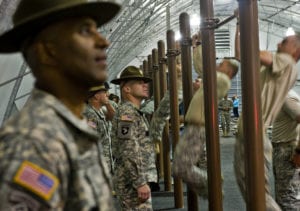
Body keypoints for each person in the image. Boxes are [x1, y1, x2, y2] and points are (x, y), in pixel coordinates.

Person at [0, 0, 120, 210]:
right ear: (48, 52)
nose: (103, 42)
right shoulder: (32, 142)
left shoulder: (69, 128)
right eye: (85, 31)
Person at [173, 14, 240, 197]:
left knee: (180, 167)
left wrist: (199, 44)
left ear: (229, 70)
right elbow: (202, 67)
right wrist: (197, 46)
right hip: (196, 126)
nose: (218, 65)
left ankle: (213, 184)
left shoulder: (222, 80)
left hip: (198, 128)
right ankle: (212, 188)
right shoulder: (214, 79)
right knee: (196, 165)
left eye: (222, 64)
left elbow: (202, 67)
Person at [233, 29, 300, 210]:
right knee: (257, 195)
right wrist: (240, 25)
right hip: (255, 135)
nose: (278, 43)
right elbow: (241, 54)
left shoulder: (286, 63)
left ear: (296, 50)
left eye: (285, 41)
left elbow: (249, 51)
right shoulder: (275, 68)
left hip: (254, 135)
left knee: (259, 197)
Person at [110, 66, 156, 210]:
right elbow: (128, 149)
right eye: (139, 82)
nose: (145, 85)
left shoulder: (133, 112)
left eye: (145, 82)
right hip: (131, 182)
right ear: (127, 89)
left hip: (133, 180)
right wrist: (140, 182)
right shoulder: (127, 113)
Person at [272, 89, 300, 210]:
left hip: (287, 149)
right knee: (284, 195)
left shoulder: (287, 97)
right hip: (283, 148)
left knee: (288, 197)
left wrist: (299, 152)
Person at [83, 83, 114, 174]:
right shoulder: (89, 114)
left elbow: (113, 116)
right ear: (96, 96)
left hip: (105, 166)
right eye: (104, 92)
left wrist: (107, 103)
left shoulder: (99, 111)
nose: (108, 94)